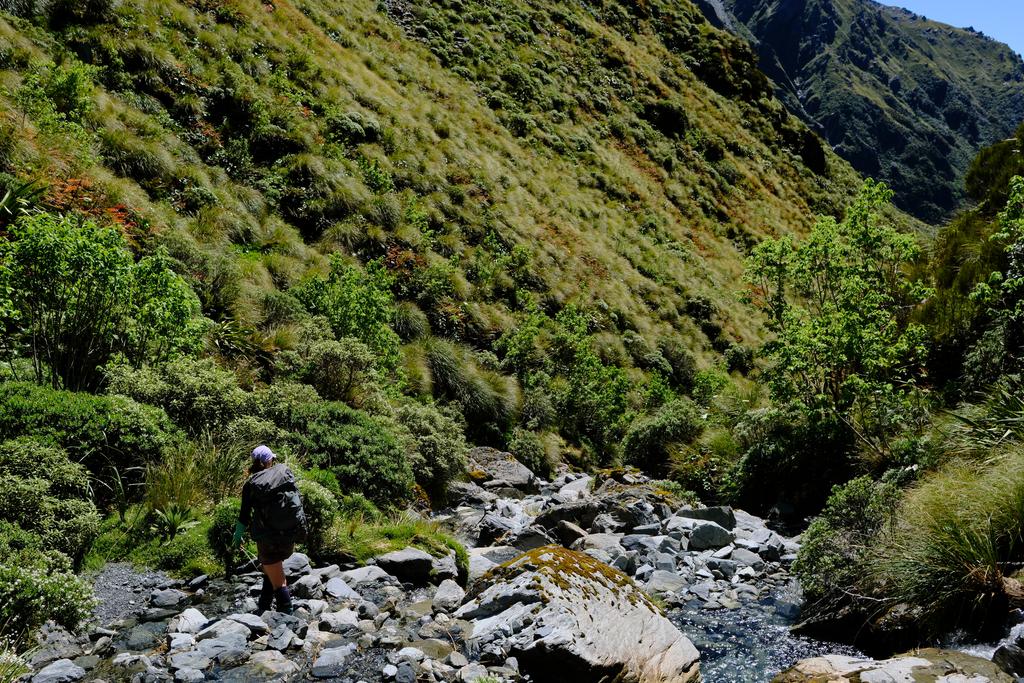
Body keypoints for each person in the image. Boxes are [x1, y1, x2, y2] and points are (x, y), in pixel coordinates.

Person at [232, 445, 307, 614]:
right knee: (270, 569)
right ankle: (264, 606)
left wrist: (237, 537)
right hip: (288, 535)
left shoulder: (251, 484)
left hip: (268, 539)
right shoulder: (283, 473)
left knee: (279, 581)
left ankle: (287, 617)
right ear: (270, 460)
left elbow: (244, 516)